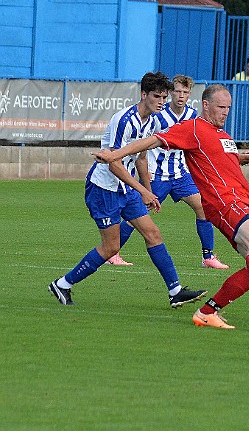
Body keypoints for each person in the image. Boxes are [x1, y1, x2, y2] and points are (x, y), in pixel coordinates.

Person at [93, 84, 249, 329]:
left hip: (244, 200)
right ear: (206, 105)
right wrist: (115, 154)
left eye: (228, 108)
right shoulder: (193, 127)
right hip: (224, 201)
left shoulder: (223, 136)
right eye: (220, 107)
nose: (225, 112)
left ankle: (208, 312)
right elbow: (152, 141)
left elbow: (225, 160)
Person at [48, 72, 207, 308]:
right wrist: (141, 191)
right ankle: (62, 284)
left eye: (164, 97)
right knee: (111, 247)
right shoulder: (124, 120)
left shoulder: (153, 120)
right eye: (157, 96)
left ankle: (175, 291)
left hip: (125, 188)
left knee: (153, 234)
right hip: (104, 189)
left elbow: (142, 159)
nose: (162, 102)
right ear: (144, 95)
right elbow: (114, 163)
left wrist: (149, 190)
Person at [109, 75, 229, 270]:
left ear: (190, 94)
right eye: (177, 91)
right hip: (157, 175)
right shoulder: (157, 114)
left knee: (204, 208)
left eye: (185, 92)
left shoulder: (192, 115)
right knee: (138, 215)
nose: (181, 96)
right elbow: (145, 146)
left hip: (181, 175)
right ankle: (112, 252)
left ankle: (208, 257)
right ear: (171, 93)